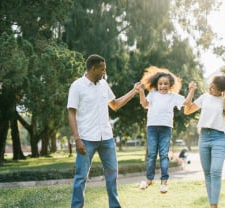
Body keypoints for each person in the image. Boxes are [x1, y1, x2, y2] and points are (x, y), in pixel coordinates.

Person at [67, 54, 141, 208]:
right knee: (81, 177)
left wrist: (133, 91)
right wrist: (77, 138)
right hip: (86, 138)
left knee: (112, 174)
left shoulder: (103, 85)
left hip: (106, 137)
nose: (104, 72)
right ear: (93, 68)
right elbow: (71, 112)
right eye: (102, 69)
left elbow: (115, 104)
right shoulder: (77, 86)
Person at [138, 66, 196, 194]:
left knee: (164, 155)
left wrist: (192, 90)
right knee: (152, 155)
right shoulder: (152, 94)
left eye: (165, 84)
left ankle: (164, 183)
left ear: (170, 85)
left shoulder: (173, 96)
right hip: (152, 127)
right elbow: (144, 104)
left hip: (166, 128)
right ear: (156, 84)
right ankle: (149, 180)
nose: (163, 86)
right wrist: (141, 91)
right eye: (160, 84)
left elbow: (186, 102)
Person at [184, 74, 225, 208]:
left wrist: (224, 102)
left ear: (222, 91)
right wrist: (191, 91)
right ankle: (213, 204)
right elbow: (187, 110)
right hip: (204, 137)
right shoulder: (205, 97)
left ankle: (214, 206)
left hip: (220, 138)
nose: (210, 88)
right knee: (207, 173)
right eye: (210, 85)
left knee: (215, 171)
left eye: (213, 88)